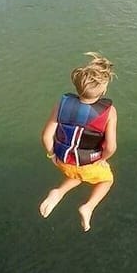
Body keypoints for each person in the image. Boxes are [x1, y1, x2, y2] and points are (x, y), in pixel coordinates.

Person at [39, 52, 117, 232]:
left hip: (63, 160)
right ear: (103, 90)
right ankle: (88, 207)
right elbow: (111, 146)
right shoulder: (109, 112)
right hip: (87, 162)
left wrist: (52, 154)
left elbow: (46, 135)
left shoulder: (62, 103)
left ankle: (58, 192)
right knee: (106, 179)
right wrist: (102, 159)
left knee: (78, 173)